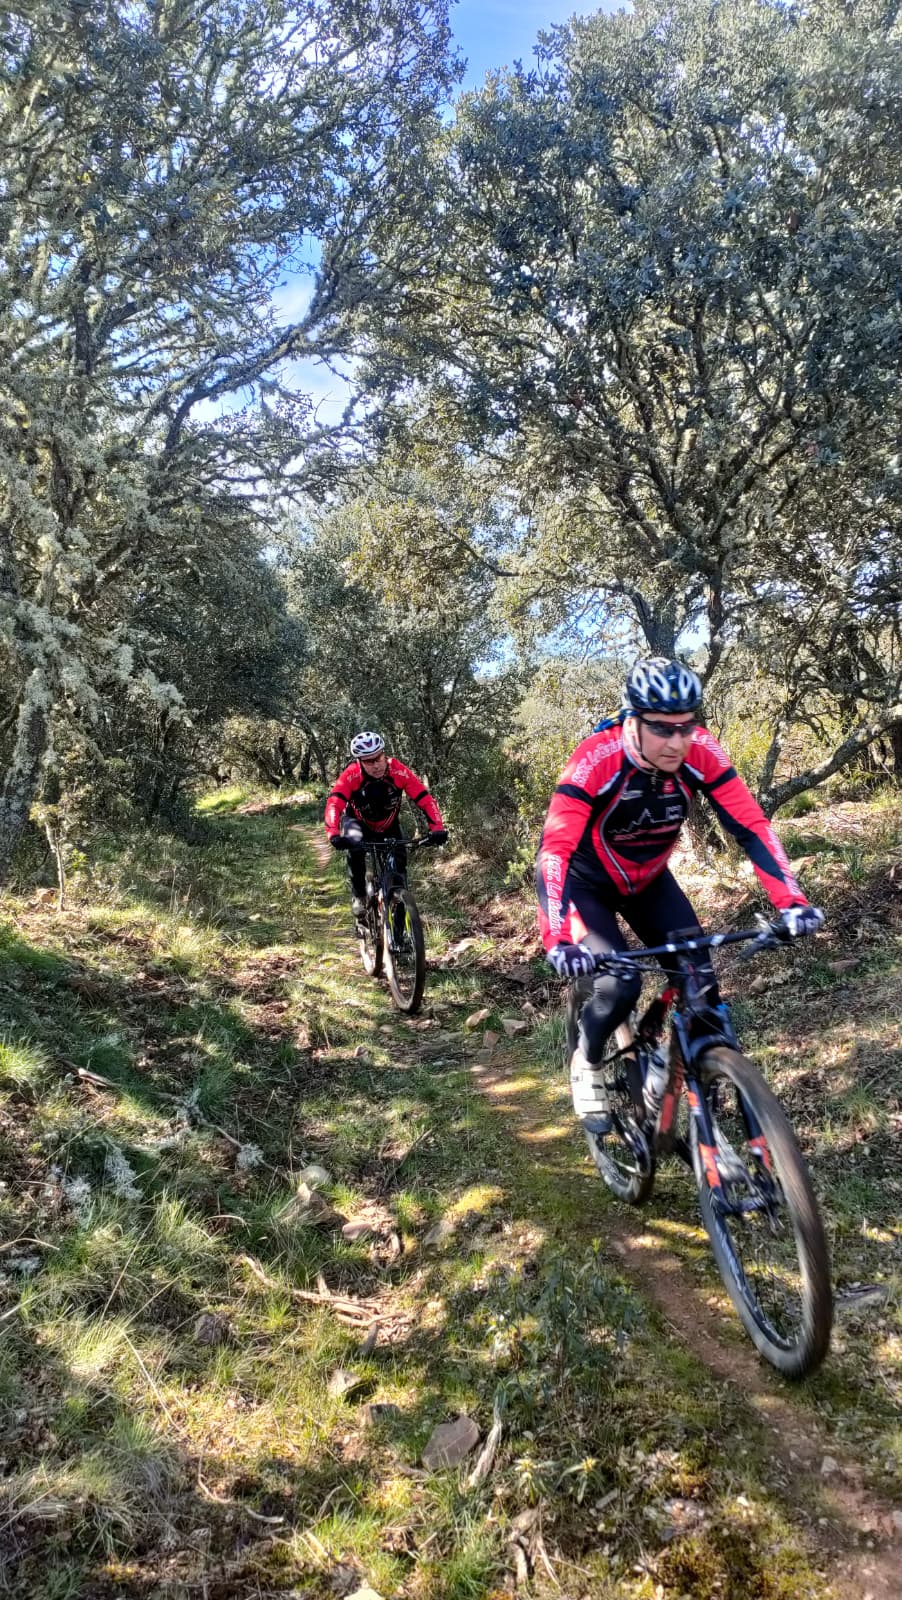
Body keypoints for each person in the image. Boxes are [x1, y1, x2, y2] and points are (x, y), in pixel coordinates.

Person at [537, 657, 824, 1134]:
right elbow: (555, 852)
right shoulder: (596, 759)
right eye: (661, 728)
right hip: (584, 886)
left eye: (686, 726)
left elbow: (751, 825)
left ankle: (693, 1089)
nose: (676, 741)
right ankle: (586, 1060)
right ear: (632, 720)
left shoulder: (700, 750)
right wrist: (558, 939)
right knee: (621, 983)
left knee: (701, 986)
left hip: (649, 882)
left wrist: (791, 902)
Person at [325, 732, 447, 918]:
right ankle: (359, 896)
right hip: (357, 823)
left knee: (399, 867)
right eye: (369, 761)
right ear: (359, 761)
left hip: (388, 824)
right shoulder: (351, 775)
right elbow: (334, 803)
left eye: (379, 758)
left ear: (384, 754)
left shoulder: (398, 770)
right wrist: (333, 834)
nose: (376, 765)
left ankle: (400, 916)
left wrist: (437, 828)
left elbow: (425, 799)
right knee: (355, 849)